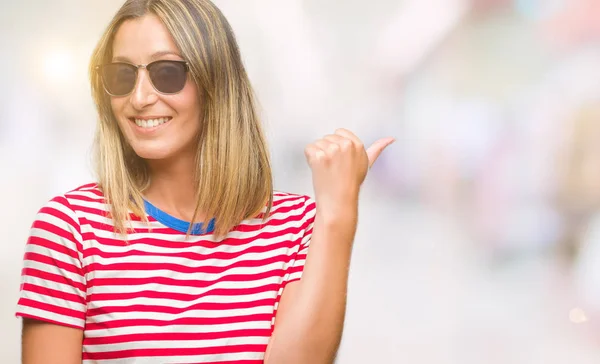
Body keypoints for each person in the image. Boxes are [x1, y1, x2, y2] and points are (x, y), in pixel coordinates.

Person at [15, 0, 394, 363]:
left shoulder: (295, 225)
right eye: (122, 75)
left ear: (216, 83)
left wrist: (337, 213)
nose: (140, 97)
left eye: (167, 73)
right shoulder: (70, 229)